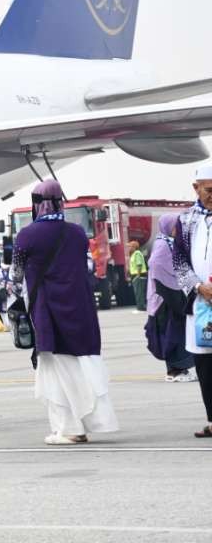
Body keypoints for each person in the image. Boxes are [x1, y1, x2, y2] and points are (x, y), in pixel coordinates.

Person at [12, 179, 118, 445]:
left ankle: (70, 428)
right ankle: (83, 423)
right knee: (80, 366)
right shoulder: (78, 233)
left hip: (47, 310)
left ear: (36, 203)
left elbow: (16, 275)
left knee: (56, 370)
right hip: (80, 307)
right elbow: (87, 268)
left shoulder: (26, 236)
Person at [171, 166, 212, 437]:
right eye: (209, 190)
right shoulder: (185, 221)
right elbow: (179, 262)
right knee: (206, 366)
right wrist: (199, 287)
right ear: (196, 188)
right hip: (201, 304)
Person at [145, 214, 195, 382]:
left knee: (176, 333)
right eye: (176, 227)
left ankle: (179, 370)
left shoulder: (168, 242)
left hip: (171, 294)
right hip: (164, 299)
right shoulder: (162, 245)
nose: (178, 230)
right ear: (168, 227)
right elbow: (157, 266)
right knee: (172, 335)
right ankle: (175, 371)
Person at [128, 240, 149, 313]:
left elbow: (139, 265)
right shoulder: (133, 254)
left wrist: (138, 275)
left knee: (139, 293)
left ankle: (141, 308)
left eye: (130, 246)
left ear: (134, 247)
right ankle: (139, 307)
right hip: (136, 276)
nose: (129, 248)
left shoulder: (137, 254)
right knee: (137, 293)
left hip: (139, 276)